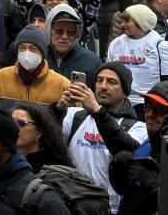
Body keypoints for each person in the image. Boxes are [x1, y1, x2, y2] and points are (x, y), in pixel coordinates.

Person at [54, 61, 147, 212]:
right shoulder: (74, 116)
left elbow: (126, 148)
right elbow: (48, 140)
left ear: (125, 91)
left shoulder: (137, 127)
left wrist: (98, 112)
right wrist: (59, 110)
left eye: (111, 82)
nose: (103, 86)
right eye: (99, 80)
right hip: (71, 203)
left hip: (110, 208)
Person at [108, 80, 168, 215]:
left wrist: (155, 188)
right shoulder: (147, 145)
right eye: (148, 106)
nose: (150, 114)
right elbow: (129, 193)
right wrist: (118, 174)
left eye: (159, 110)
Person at [106, 4, 168, 119]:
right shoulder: (116, 44)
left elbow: (166, 81)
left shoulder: (160, 46)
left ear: (141, 23)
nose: (122, 24)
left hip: (147, 105)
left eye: (127, 21)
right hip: (119, 103)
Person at [0, 26, 70, 105]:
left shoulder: (62, 84)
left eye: (33, 49)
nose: (26, 53)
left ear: (42, 53)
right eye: (22, 48)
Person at [45, 3, 100, 88]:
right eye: (59, 31)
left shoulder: (92, 61)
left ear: (77, 33)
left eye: (71, 32)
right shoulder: (38, 56)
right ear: (49, 30)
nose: (64, 37)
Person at [11, 102, 74, 173]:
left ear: (39, 132)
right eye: (10, 122)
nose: (13, 127)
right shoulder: (7, 160)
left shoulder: (48, 171)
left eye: (21, 123)